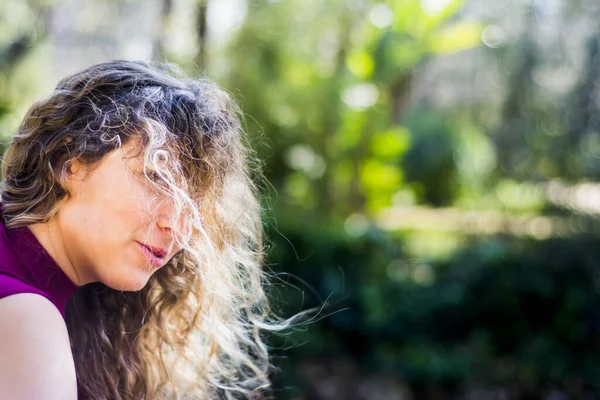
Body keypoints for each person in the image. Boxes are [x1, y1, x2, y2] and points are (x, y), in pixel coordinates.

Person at [0, 60, 281, 399]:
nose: (177, 226)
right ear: (68, 162)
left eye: (194, 206)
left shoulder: (57, 302)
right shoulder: (26, 318)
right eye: (157, 178)